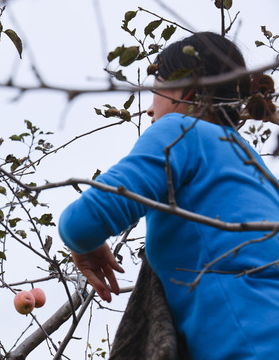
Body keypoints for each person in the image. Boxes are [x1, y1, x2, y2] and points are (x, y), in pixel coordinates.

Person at [58, 32, 279, 360]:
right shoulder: (256, 167)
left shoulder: (181, 130)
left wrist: (82, 245)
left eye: (155, 91)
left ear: (185, 90)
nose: (149, 110)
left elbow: (84, 221)